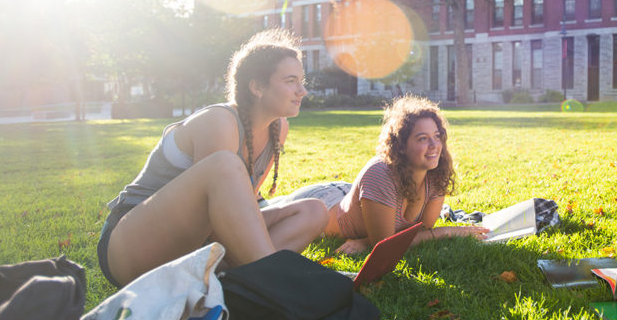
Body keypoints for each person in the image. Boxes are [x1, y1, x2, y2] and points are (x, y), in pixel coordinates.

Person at [97, 29, 329, 287]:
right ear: (257, 87)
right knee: (225, 164)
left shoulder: (278, 127)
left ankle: (241, 282)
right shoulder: (220, 121)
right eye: (290, 81)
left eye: (301, 80)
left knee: (313, 210)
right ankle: (272, 285)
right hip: (131, 247)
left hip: (196, 248)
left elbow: (244, 209)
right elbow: (217, 225)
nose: (303, 91)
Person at [281, 95, 489, 255]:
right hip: (322, 202)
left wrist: (365, 242)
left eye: (437, 136)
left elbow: (420, 231)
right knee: (266, 211)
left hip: (351, 192)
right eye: (422, 138)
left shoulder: (435, 174)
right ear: (401, 146)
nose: (435, 145)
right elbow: (386, 246)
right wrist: (447, 232)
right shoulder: (381, 174)